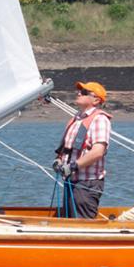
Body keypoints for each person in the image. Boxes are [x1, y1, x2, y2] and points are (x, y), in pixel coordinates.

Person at [53, 81, 112, 219]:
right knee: (70, 221)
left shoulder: (99, 119)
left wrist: (73, 166)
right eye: (79, 91)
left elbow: (98, 151)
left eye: (84, 92)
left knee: (83, 223)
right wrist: (59, 160)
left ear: (96, 100)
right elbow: (67, 148)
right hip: (71, 180)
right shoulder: (76, 119)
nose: (79, 93)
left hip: (87, 183)